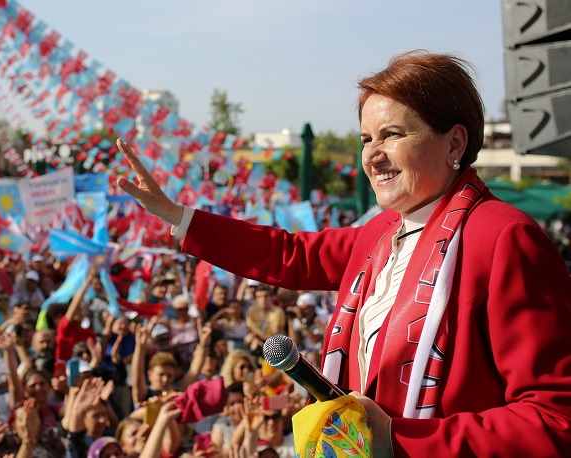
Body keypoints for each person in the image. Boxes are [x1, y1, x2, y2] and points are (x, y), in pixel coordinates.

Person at [115, 50, 571, 456]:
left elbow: (556, 419)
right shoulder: (379, 231)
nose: (372, 155)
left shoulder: (504, 236)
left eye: (391, 134)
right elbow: (288, 255)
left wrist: (398, 439)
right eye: (365, 139)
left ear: (454, 142)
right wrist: (178, 216)